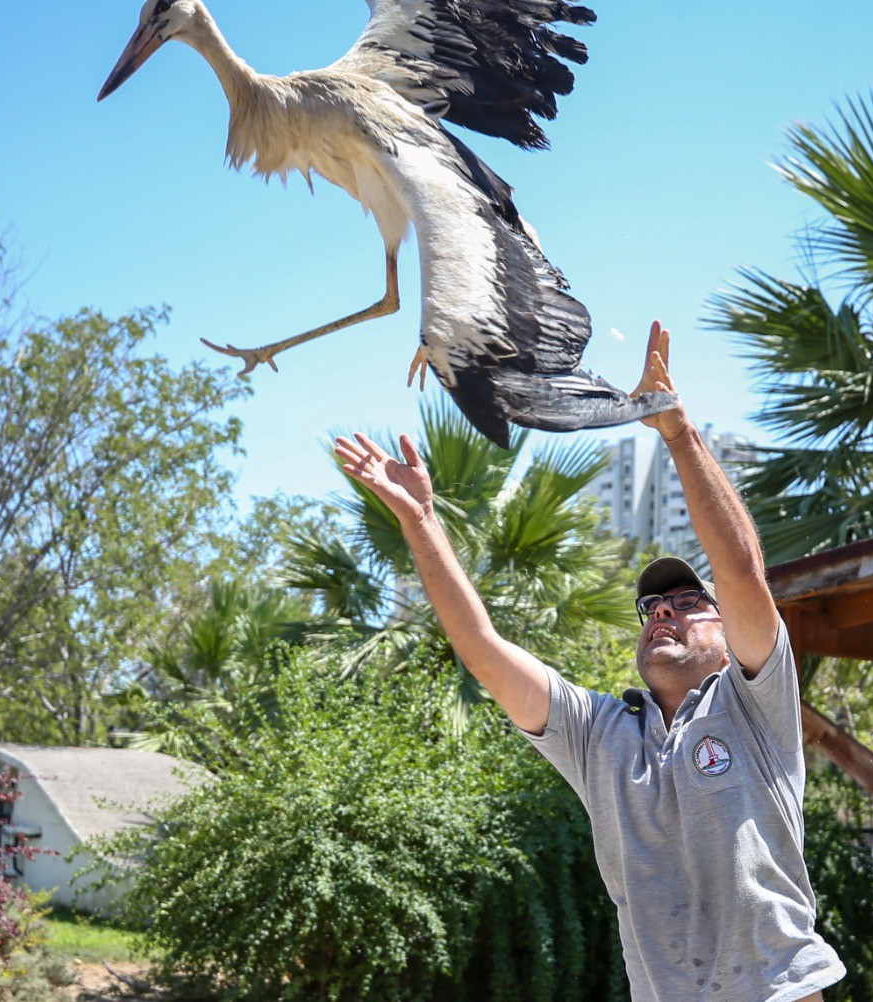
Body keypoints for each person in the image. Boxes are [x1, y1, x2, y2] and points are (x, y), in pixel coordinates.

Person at [335, 321, 845, 1002]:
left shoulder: (755, 704)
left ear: (727, 633)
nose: (663, 610)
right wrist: (423, 527)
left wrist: (678, 432)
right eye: (653, 606)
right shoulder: (600, 736)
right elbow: (484, 650)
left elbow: (745, 574)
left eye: (688, 600)